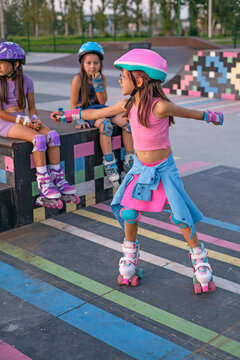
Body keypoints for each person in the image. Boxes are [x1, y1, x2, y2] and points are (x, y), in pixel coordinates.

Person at [51, 49, 223, 293]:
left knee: (180, 215)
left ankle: (199, 260)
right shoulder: (127, 104)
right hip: (141, 169)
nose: (120, 80)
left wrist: (210, 116)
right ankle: (129, 256)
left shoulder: (160, 107)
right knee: (129, 212)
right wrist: (69, 114)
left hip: (164, 170)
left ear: (139, 80)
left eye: (123, 75)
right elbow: (96, 113)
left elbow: (189, 113)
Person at [0, 41, 79, 209]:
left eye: (1, 62)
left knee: (53, 136)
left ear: (15, 64)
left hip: (21, 119)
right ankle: (44, 183)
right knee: (38, 139)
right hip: (4, 122)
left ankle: (58, 178)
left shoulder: (27, 81)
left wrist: (35, 119)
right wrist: (22, 121)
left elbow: (32, 108)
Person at [60, 41, 134, 187]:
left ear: (100, 64)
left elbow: (102, 100)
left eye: (96, 63)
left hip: (101, 108)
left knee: (127, 124)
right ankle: (109, 162)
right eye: (88, 63)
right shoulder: (77, 79)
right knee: (105, 125)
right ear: (82, 64)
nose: (92, 66)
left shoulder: (102, 78)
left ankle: (129, 160)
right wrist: (79, 119)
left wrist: (97, 84)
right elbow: (73, 103)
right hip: (87, 112)